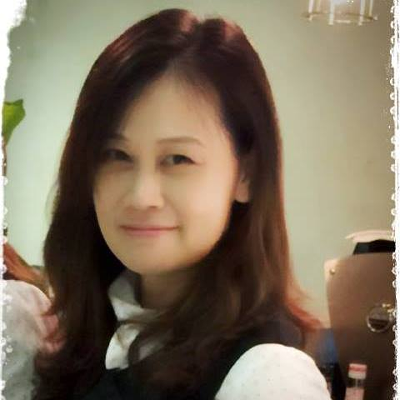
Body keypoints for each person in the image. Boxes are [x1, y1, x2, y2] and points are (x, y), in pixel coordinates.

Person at [30, 8, 331, 399]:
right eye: (116, 155)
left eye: (178, 159)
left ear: (246, 175)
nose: (141, 196)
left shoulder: (266, 379)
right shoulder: (85, 338)